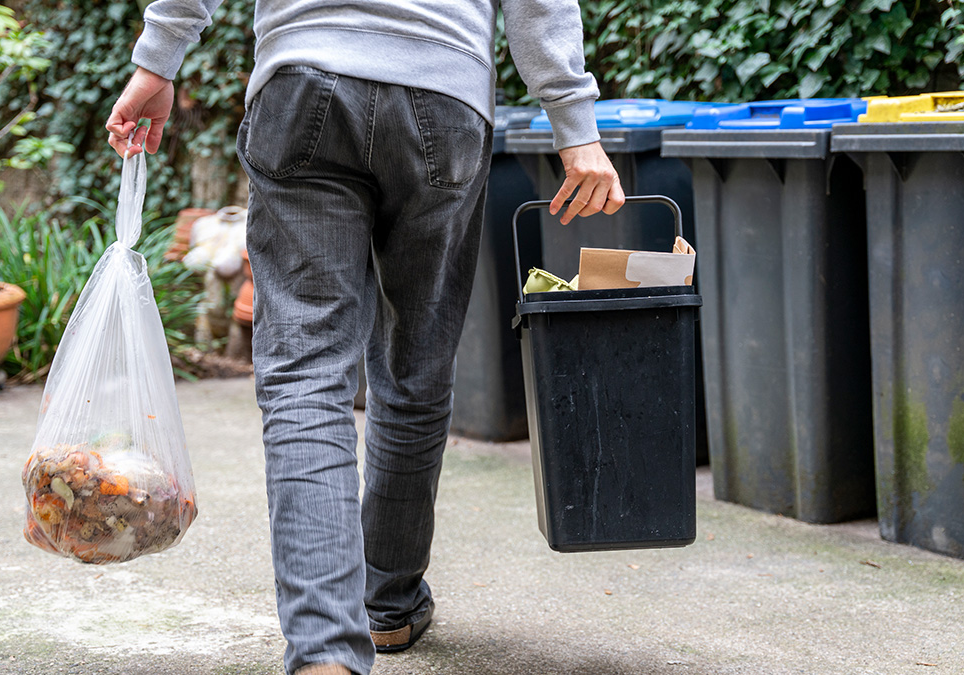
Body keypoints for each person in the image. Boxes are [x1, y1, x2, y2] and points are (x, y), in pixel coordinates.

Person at [106, 1, 624, 673]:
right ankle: (387, 605)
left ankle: (325, 651)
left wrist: (159, 56)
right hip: (444, 91)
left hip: (303, 77)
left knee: (305, 375)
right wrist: (574, 125)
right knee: (417, 365)